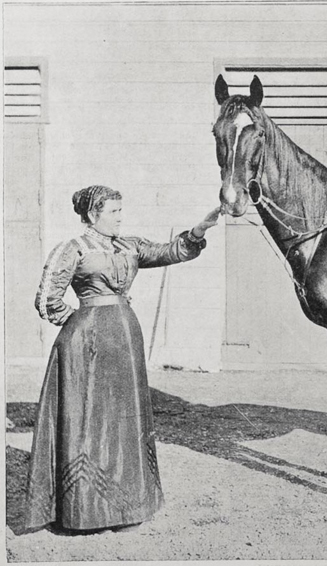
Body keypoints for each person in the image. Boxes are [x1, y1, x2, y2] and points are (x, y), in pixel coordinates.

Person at [24, 185, 221, 534]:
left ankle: (126, 507)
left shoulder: (129, 246)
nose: (120, 216)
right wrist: (81, 322)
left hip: (126, 338)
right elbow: (46, 298)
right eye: (113, 211)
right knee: (88, 420)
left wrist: (197, 232)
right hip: (86, 342)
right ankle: (87, 512)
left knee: (123, 421)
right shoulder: (73, 250)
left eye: (120, 210)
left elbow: (171, 251)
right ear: (92, 215)